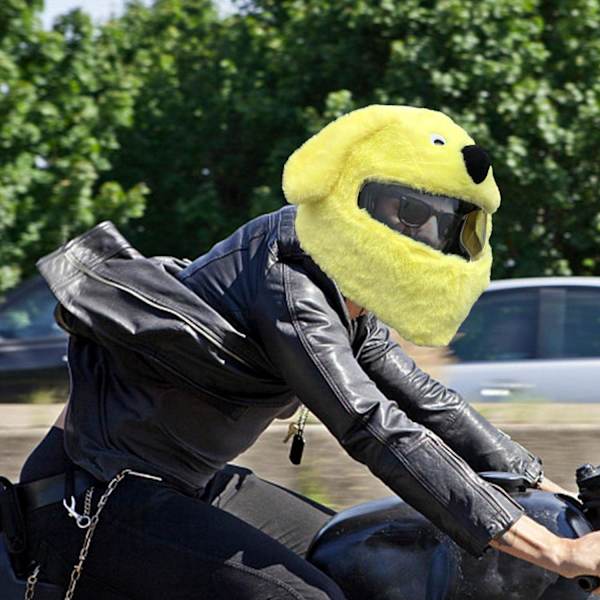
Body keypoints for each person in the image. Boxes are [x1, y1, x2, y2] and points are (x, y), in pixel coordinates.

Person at [13, 105, 600, 599]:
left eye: (447, 226)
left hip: (196, 482)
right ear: (356, 200)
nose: (428, 238)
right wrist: (552, 549)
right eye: (412, 214)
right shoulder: (290, 276)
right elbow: (373, 425)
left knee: (358, 558)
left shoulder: (347, 294)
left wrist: (555, 495)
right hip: (96, 493)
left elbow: (430, 404)